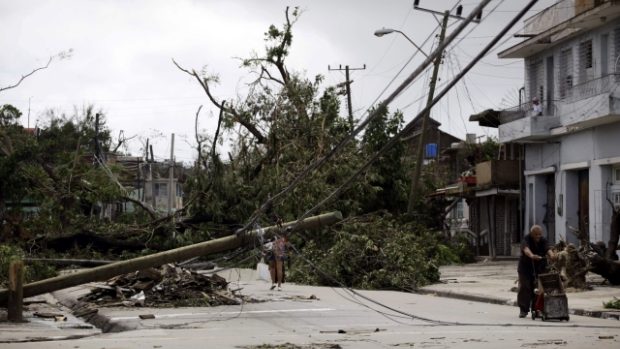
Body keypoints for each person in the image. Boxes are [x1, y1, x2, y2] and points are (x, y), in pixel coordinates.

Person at [517, 224, 555, 318]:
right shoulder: (526, 239)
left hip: (540, 267)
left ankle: (536, 309)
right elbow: (526, 249)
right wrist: (532, 256)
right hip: (525, 267)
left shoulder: (543, 240)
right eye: (536, 234)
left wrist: (552, 255)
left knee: (538, 289)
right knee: (525, 287)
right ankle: (523, 310)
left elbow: (548, 248)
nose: (538, 236)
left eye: (539, 234)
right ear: (531, 233)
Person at [270, 226, 290, 291]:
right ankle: (277, 285)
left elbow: (287, 245)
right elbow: (288, 246)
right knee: (275, 269)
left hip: (277, 253)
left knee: (275, 269)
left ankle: (276, 284)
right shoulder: (283, 238)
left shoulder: (283, 238)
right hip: (277, 253)